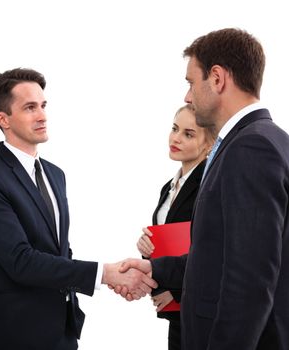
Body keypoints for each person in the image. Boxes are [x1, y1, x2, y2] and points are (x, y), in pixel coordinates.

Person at [118, 28, 289, 349]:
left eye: (190, 82)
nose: (187, 96)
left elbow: (250, 280)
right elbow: (222, 255)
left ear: (217, 78)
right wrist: (156, 267)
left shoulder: (251, 147)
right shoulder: (266, 140)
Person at [0, 68, 157, 350]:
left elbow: (59, 251)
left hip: (62, 330)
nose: (42, 115)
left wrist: (117, 281)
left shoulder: (55, 174)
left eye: (43, 105)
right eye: (30, 108)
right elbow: (20, 261)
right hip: (16, 334)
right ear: (2, 118)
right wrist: (105, 274)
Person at [136, 104, 214, 350]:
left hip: (197, 306)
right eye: (174, 128)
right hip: (174, 307)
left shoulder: (209, 186)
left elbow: (213, 252)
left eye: (188, 134)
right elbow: (170, 239)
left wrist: (177, 294)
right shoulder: (169, 186)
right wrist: (147, 247)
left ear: (209, 144)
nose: (176, 138)